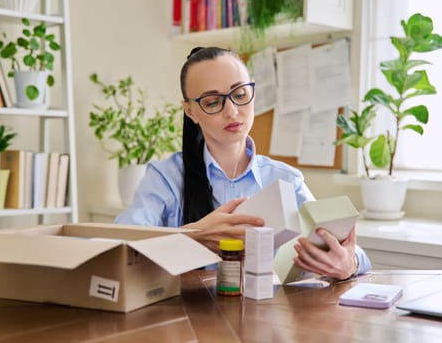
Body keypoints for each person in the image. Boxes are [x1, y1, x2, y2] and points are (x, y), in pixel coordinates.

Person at [115, 46, 371, 280]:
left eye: (239, 94)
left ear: (253, 94)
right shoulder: (166, 177)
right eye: (213, 102)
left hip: (270, 319)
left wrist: (349, 264)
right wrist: (194, 236)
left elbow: (348, 251)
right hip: (188, 321)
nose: (232, 111)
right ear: (190, 111)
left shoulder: (286, 180)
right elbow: (117, 247)